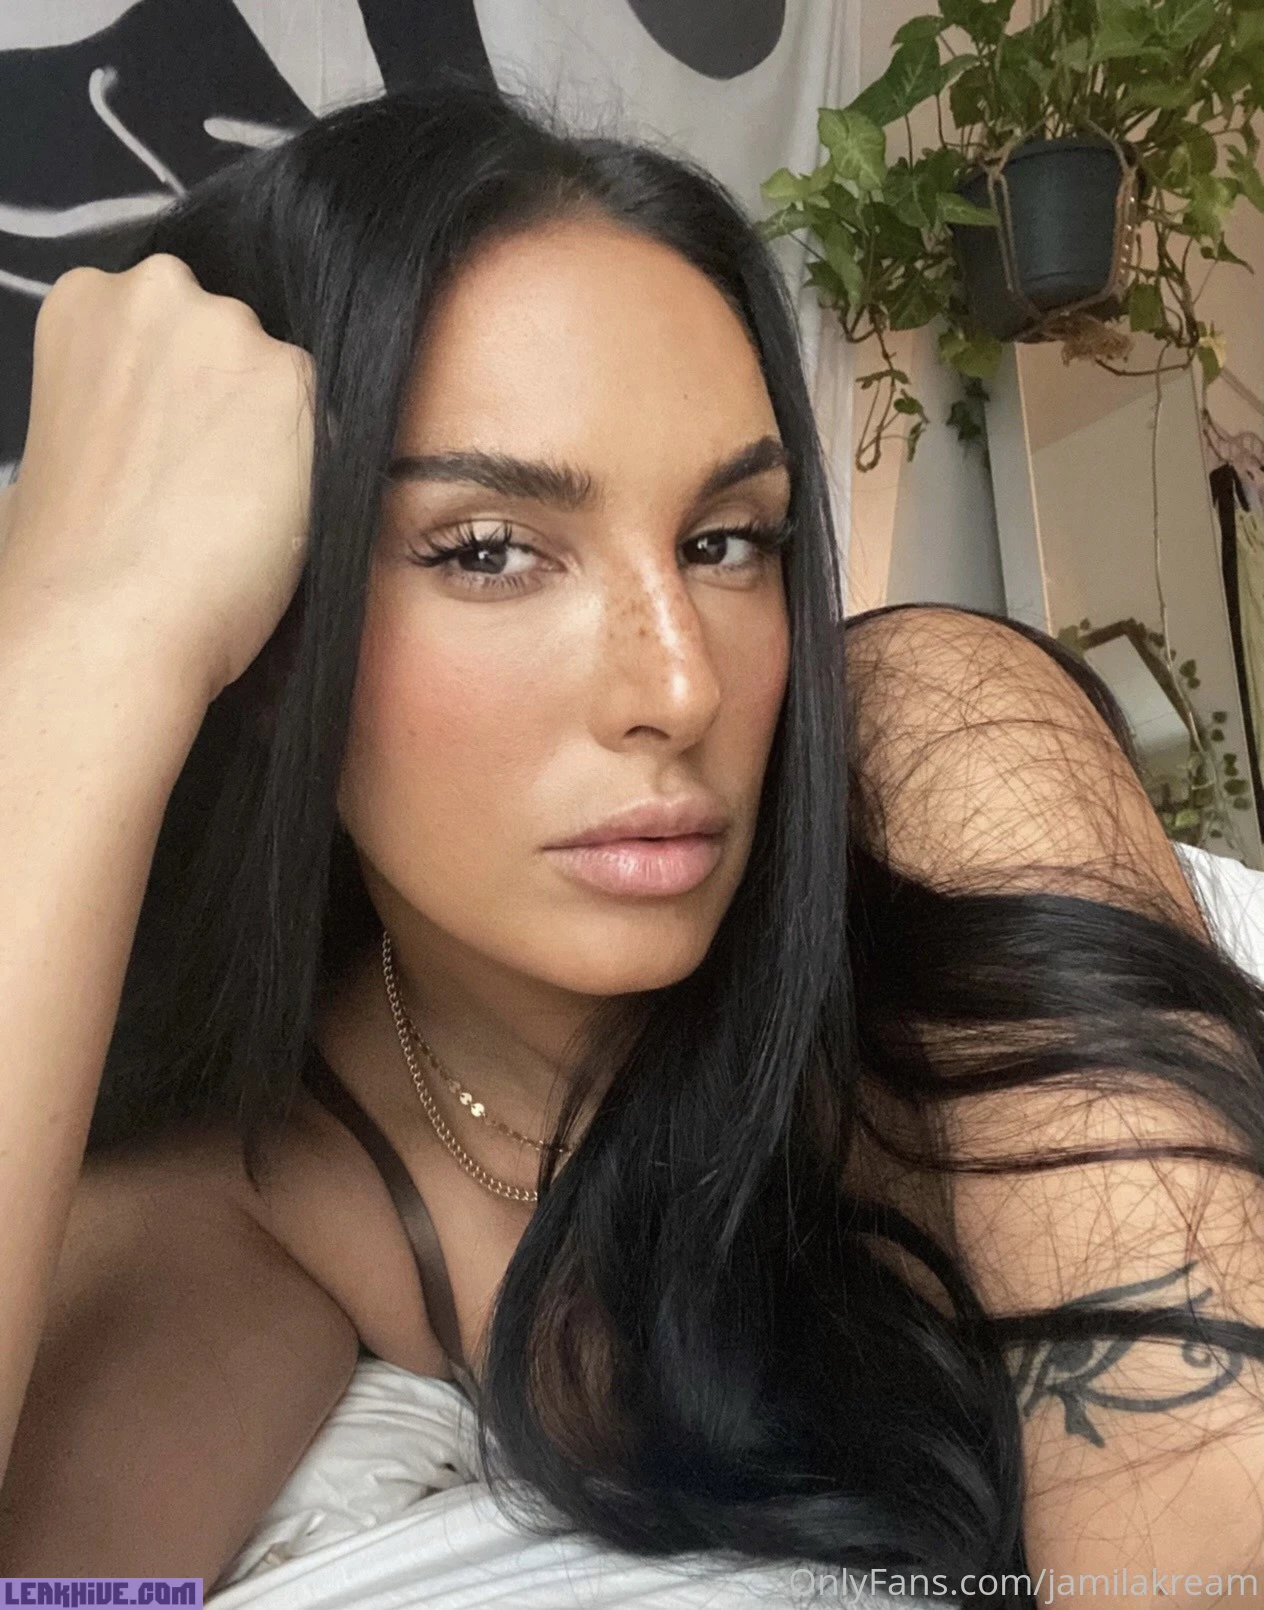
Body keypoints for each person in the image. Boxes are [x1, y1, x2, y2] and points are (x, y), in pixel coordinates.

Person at [0, 64, 1262, 1608]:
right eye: (490, 550)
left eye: (727, 541)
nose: (681, 685)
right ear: (264, 636)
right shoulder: (246, 1214)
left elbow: (1210, 1517)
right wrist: (84, 635)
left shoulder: (933, 733)